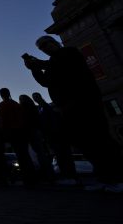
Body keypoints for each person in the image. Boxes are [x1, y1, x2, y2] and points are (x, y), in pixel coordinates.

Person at [23, 35, 123, 192]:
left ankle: (118, 177)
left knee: (100, 139)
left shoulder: (69, 53)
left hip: (85, 102)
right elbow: (45, 81)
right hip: (68, 107)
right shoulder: (52, 63)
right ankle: (106, 177)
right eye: (41, 48)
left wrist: (38, 64)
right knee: (85, 142)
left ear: (54, 42)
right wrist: (34, 69)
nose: (44, 48)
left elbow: (58, 67)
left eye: (45, 44)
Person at [31, 92, 77, 185]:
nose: (35, 98)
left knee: (63, 155)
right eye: (34, 97)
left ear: (40, 96)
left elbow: (52, 121)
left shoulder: (46, 107)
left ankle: (71, 176)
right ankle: (67, 176)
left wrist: (54, 132)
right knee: (59, 155)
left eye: (36, 96)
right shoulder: (40, 108)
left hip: (55, 135)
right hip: (50, 135)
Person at [0, 87, 36, 187]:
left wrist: (3, 133)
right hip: (22, 131)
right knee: (25, 154)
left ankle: (27, 178)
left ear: (1, 95)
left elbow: (3, 120)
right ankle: (32, 176)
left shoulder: (2, 105)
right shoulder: (16, 104)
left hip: (13, 132)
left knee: (20, 155)